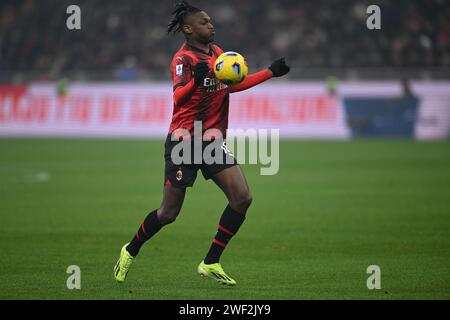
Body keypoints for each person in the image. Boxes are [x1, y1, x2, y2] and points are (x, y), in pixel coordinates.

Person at [114, 1, 290, 286]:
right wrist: (195, 83)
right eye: (205, 22)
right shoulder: (183, 60)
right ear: (188, 28)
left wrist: (269, 72)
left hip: (211, 142)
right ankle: (130, 249)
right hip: (183, 142)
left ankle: (210, 262)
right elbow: (178, 99)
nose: (211, 25)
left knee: (242, 198)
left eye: (210, 21)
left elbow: (233, 84)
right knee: (169, 213)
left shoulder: (218, 54)